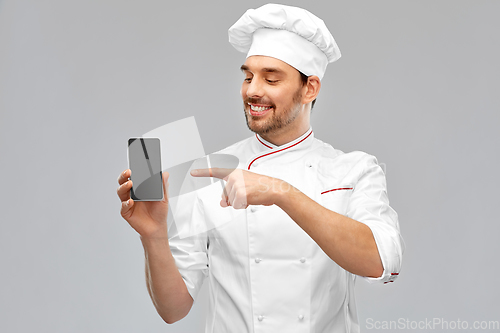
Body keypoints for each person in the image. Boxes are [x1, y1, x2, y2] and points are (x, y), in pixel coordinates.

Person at [116, 4, 404, 332]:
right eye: (248, 76)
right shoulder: (207, 172)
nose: (253, 90)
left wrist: (280, 192)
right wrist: (153, 237)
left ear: (310, 88)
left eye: (271, 78)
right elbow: (173, 309)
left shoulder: (353, 171)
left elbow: (381, 262)